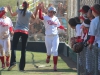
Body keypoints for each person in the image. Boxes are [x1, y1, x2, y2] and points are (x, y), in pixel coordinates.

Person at [7, 1, 38, 71]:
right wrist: (37, 9)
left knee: (14, 47)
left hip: (17, 30)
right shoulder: (29, 13)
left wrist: (10, 9)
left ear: (23, 5)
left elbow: (12, 14)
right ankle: (22, 67)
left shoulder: (18, 11)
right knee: (23, 49)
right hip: (25, 32)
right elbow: (34, 17)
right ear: (28, 6)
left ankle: (13, 63)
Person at [37, 3, 67, 71]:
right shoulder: (46, 17)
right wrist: (40, 9)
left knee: (55, 51)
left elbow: (59, 25)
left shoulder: (56, 18)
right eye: (50, 12)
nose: (51, 13)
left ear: (54, 12)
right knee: (49, 51)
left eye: (52, 12)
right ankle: (48, 56)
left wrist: (63, 28)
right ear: (48, 12)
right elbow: (40, 17)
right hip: (48, 36)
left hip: (55, 36)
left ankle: (55, 66)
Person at [87, 4, 100, 74]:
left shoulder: (94, 21)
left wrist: (90, 44)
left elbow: (92, 36)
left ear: (94, 11)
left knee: (98, 64)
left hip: (98, 44)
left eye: (92, 10)